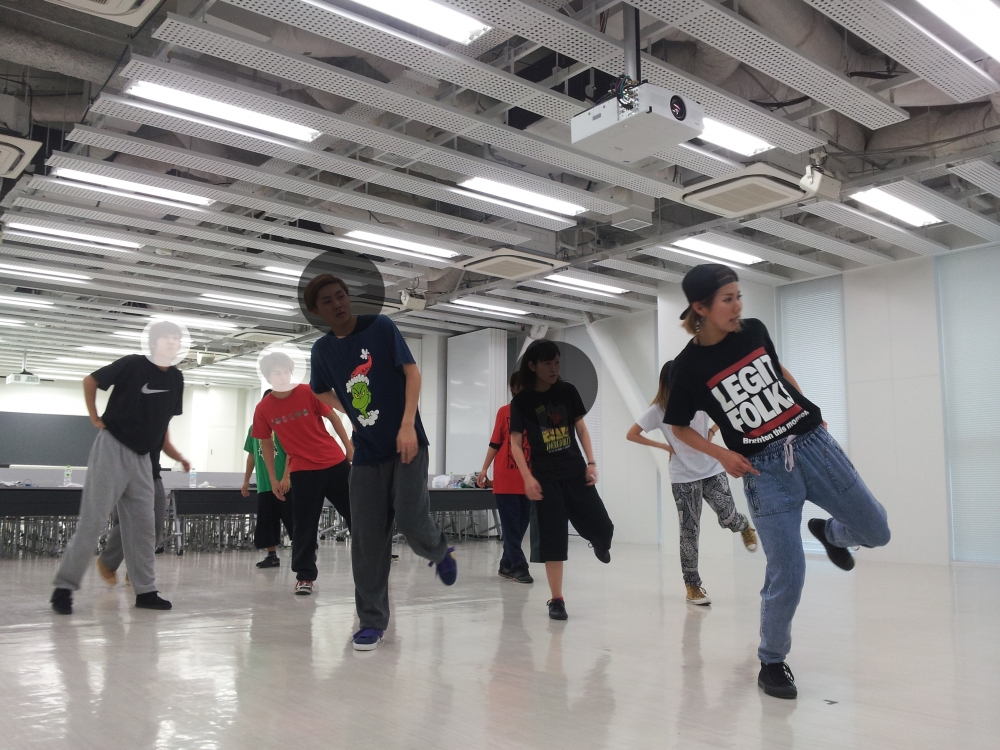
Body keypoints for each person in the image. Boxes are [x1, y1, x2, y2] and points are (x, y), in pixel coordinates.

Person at [663, 263, 891, 700]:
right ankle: (771, 661)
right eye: (727, 299)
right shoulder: (688, 367)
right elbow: (679, 428)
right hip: (763, 470)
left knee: (877, 530)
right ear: (701, 308)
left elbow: (777, 371)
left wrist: (807, 407)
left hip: (813, 447)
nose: (737, 306)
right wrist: (722, 455)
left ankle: (831, 534)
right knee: (788, 569)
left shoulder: (753, 331)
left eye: (738, 296)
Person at [306, 274, 456, 652]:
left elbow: (412, 372)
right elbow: (319, 390)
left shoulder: (380, 326)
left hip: (407, 444)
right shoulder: (322, 350)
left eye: (341, 295)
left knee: (408, 517)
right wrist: (352, 411)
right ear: (317, 311)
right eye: (327, 301)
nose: (338, 304)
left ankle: (438, 550)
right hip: (366, 454)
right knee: (367, 542)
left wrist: (407, 425)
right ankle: (371, 623)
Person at [51, 320, 184, 614]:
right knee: (93, 521)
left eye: (176, 338)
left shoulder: (176, 378)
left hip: (144, 458)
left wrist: (174, 454)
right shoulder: (133, 364)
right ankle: (64, 587)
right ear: (154, 342)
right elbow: (90, 381)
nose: (171, 342)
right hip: (113, 447)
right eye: (166, 337)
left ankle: (145, 591)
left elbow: (163, 422)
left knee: (144, 528)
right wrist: (94, 417)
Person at [627, 361, 758, 606]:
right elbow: (631, 434)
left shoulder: (700, 398)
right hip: (683, 477)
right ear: (668, 384)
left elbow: (728, 408)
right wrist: (664, 445)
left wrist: (713, 431)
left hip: (712, 470)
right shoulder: (658, 410)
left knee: (728, 518)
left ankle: (742, 526)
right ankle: (692, 586)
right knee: (689, 532)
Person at [508, 339, 614, 621]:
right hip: (545, 479)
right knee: (553, 542)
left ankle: (599, 541)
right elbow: (515, 443)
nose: (554, 368)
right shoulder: (522, 401)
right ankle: (557, 600)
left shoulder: (568, 391)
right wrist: (527, 477)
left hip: (575, 471)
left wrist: (591, 462)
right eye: (548, 363)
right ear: (533, 366)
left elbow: (581, 429)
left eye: (557, 362)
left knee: (604, 526)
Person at [251, 351, 353, 596]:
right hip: (303, 470)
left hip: (334, 462)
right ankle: (304, 577)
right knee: (304, 526)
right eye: (277, 373)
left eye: (286, 372)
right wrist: (273, 478)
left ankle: (372, 563)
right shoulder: (263, 408)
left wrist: (348, 448)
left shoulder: (308, 391)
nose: (283, 377)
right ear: (268, 377)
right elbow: (265, 443)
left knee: (357, 514)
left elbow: (334, 417)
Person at [96, 429, 190, 585]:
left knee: (156, 523)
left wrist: (181, 459)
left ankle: (138, 571)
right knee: (127, 523)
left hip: (152, 475)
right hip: (127, 473)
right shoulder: (128, 417)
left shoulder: (162, 420)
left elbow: (166, 444)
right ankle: (108, 562)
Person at [477, 371, 533, 585]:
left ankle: (505, 565)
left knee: (520, 527)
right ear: (514, 389)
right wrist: (484, 469)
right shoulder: (504, 412)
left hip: (528, 480)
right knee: (511, 528)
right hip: (506, 479)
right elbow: (495, 442)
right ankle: (520, 567)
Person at [241, 389, 294, 569]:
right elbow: (251, 455)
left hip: (285, 484)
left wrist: (286, 476)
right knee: (267, 522)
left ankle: (304, 552)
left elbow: (291, 453)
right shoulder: (254, 429)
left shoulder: (284, 426)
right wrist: (246, 480)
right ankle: (272, 556)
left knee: (293, 520)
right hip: (265, 484)